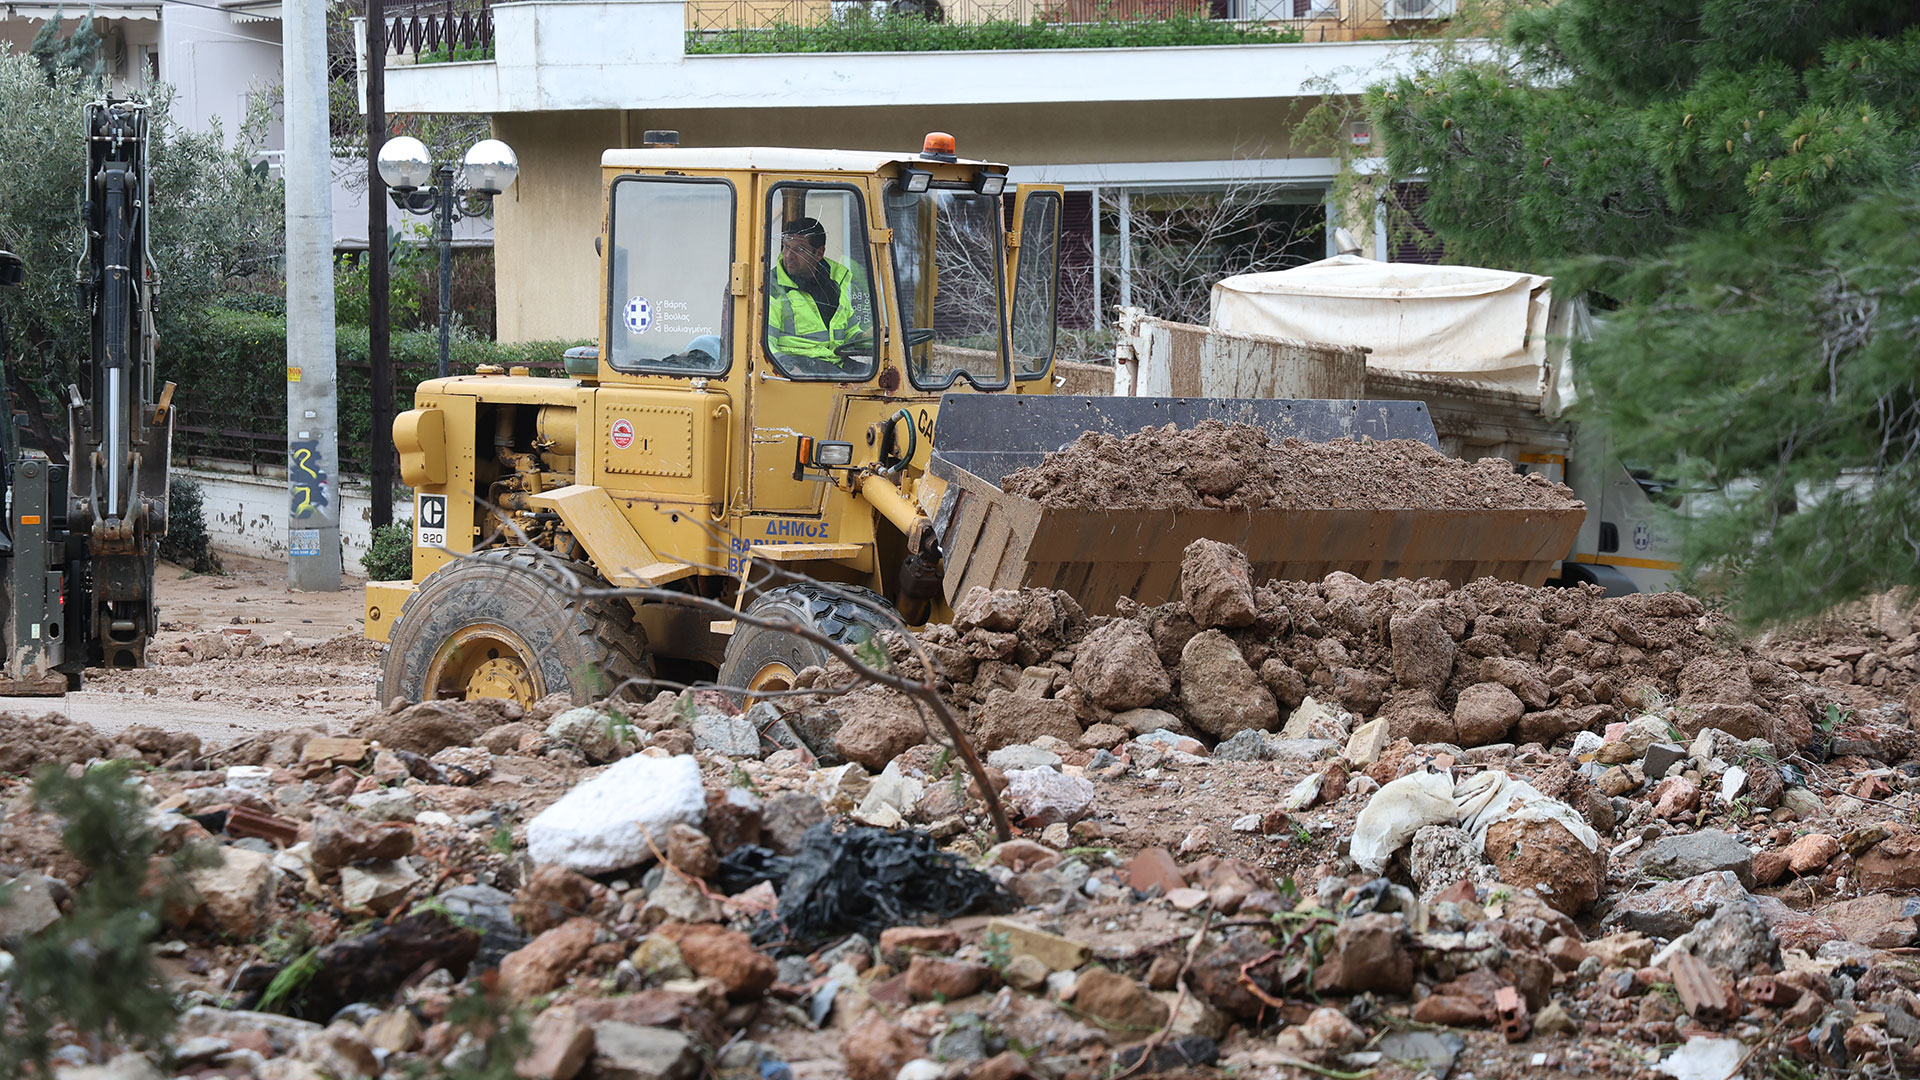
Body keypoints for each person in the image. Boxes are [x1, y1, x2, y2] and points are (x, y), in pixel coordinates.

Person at [768, 216, 870, 371]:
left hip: (835, 363)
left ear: (819, 253)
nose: (788, 256)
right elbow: (764, 343)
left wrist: (867, 338)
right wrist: (788, 368)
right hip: (800, 369)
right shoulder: (773, 287)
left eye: (799, 249)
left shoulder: (837, 282)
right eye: (786, 247)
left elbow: (849, 334)